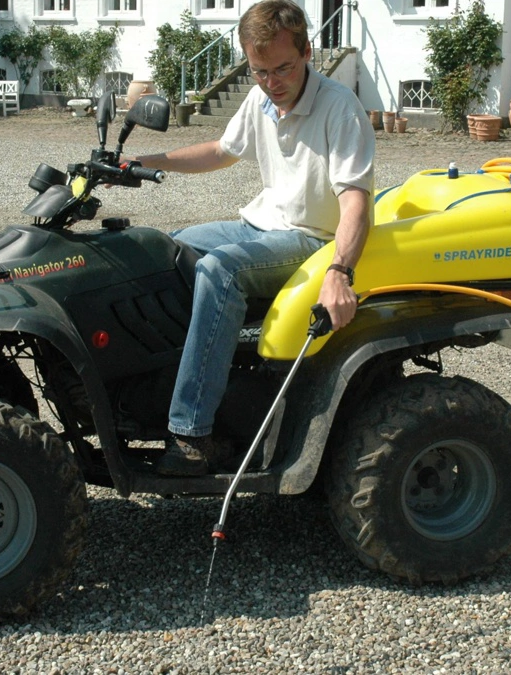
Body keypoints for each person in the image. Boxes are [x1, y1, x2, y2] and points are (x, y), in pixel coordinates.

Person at [133, 0, 375, 475]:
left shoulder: (340, 108)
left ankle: (192, 432)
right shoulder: (261, 98)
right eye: (259, 71)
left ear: (307, 52)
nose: (272, 82)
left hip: (312, 239)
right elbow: (222, 150)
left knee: (219, 269)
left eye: (283, 68)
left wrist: (339, 271)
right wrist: (149, 162)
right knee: (162, 248)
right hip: (260, 224)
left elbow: (355, 203)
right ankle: (157, 382)